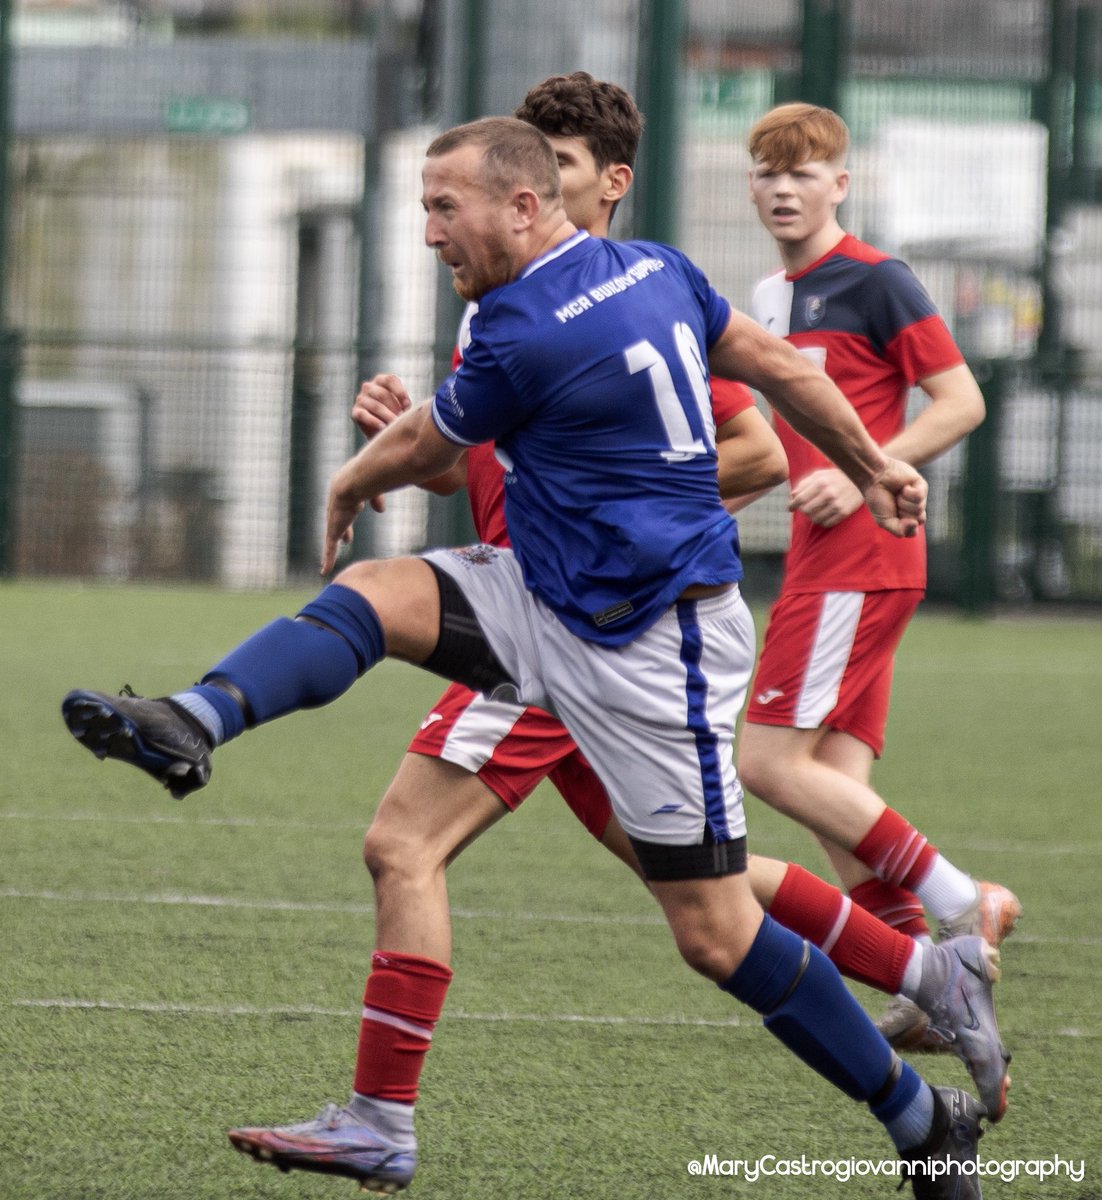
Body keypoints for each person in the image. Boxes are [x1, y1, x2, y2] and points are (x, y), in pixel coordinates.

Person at [62, 115, 990, 1200]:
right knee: (379, 600)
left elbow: (431, 448)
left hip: (653, 648)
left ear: (521, 204)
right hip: (547, 596)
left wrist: (351, 480)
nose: (427, 235)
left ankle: (923, 1113)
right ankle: (195, 720)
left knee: (714, 927)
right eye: (423, 208)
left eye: (442, 209)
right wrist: (873, 462)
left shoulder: (523, 329)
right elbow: (777, 363)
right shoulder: (651, 267)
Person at [334, 72, 1005, 1156]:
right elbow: (487, 468)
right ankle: (931, 970)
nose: (525, 184)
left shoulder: (639, 295)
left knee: (403, 845)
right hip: (538, 612)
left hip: (579, 631)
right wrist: (414, 438)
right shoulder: (504, 303)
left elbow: (743, 444)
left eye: (551, 165)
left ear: (608, 183)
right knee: (704, 887)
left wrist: (643, 539)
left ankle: (377, 1119)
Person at [735, 102, 1021, 1058]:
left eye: (803, 172)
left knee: (767, 764)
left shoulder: (878, 280)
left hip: (864, 557)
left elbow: (963, 400)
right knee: (830, 794)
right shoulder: (764, 301)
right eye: (766, 171)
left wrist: (867, 473)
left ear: (840, 185)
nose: (782, 188)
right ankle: (928, 982)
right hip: (835, 559)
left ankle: (961, 904)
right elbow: (772, 451)